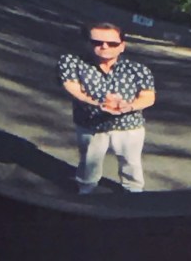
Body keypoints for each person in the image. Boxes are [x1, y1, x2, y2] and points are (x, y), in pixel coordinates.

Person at [57, 21, 156, 194]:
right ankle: (86, 191)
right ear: (88, 43)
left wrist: (129, 106)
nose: (104, 46)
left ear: (122, 46)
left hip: (129, 125)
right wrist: (97, 103)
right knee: (89, 162)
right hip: (90, 124)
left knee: (131, 163)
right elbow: (71, 87)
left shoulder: (138, 69)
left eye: (112, 43)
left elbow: (148, 97)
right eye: (97, 42)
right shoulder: (72, 62)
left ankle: (134, 193)